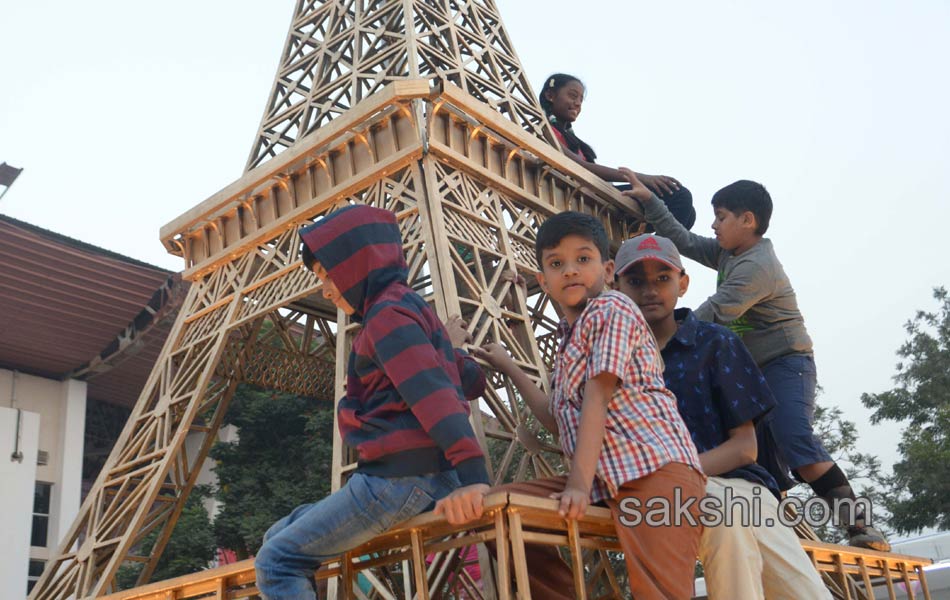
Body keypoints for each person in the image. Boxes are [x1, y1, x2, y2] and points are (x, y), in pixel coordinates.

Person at [442, 210, 706, 600]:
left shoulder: (612, 308)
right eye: (556, 263)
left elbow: (599, 395)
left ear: (609, 269)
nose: (570, 270)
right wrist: (509, 365)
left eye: (583, 259)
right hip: (604, 479)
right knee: (499, 509)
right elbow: (556, 421)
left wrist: (578, 486)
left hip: (656, 474)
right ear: (542, 282)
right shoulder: (570, 339)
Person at [622, 171, 890, 551]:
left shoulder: (755, 266)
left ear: (747, 220)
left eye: (720, 216)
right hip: (755, 369)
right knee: (763, 461)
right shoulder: (730, 253)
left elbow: (714, 311)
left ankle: (862, 526)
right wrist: (651, 201)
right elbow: (682, 240)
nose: (713, 224)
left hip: (786, 362)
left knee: (795, 439)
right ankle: (775, 533)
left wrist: (653, 336)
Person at [254, 204, 492, 599]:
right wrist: (451, 348)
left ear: (357, 264)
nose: (324, 289)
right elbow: (468, 381)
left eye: (328, 275)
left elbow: (433, 395)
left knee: (276, 561)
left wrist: (476, 476)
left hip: (399, 479)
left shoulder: (385, 317)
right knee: (277, 534)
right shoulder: (408, 308)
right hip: (425, 476)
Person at [615, 234, 831, 599]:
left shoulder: (715, 343)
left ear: (683, 284)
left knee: (805, 591)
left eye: (662, 278)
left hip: (739, 486)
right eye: (636, 281)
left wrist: (678, 472)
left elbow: (746, 448)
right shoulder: (615, 358)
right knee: (727, 524)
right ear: (614, 284)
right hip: (677, 494)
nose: (649, 290)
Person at [540, 72, 696, 229]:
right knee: (678, 196)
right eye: (573, 96)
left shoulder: (572, 140)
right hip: (572, 195)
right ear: (550, 95)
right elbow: (582, 167)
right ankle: (659, 249)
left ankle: (651, 248)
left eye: (581, 99)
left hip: (594, 197)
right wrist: (637, 178)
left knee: (689, 213)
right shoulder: (543, 129)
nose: (578, 103)